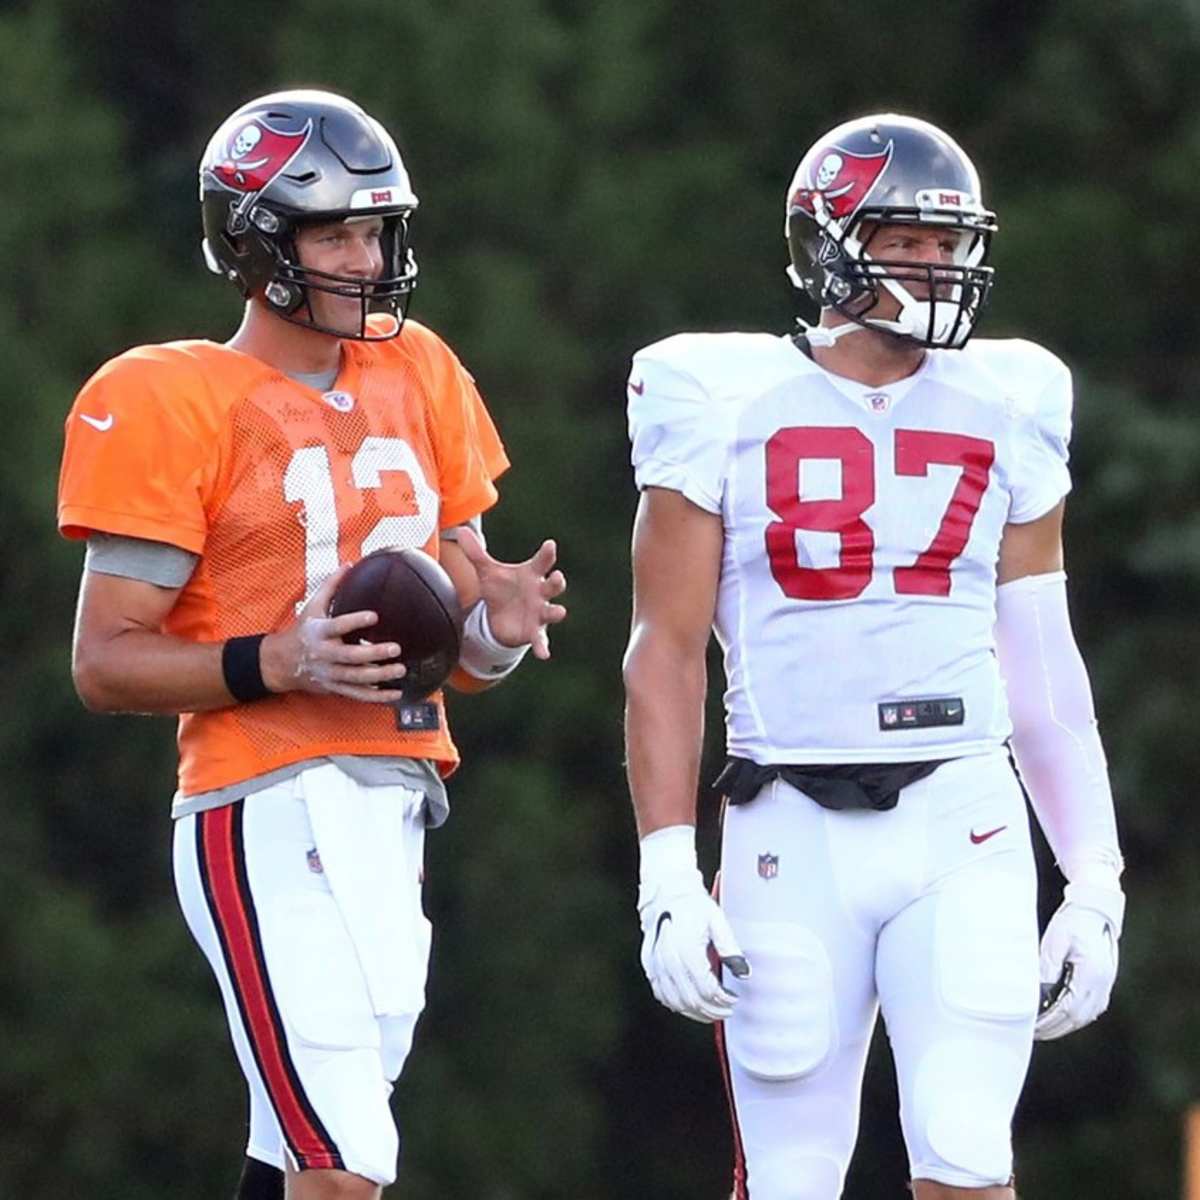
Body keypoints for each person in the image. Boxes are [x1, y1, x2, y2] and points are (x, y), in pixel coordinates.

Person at [58, 89, 566, 1200]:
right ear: (259, 243)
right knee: (344, 1164)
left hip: (396, 800)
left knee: (300, 1154)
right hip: (265, 801)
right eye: (336, 229)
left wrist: (499, 626)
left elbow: (459, 658)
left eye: (376, 228)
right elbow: (104, 662)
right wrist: (274, 661)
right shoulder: (171, 395)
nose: (367, 254)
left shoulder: (418, 369)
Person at [622, 113, 1123, 1200]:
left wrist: (1094, 878)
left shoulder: (1014, 397)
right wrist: (666, 870)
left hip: (965, 818)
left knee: (967, 1158)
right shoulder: (716, 394)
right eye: (906, 241)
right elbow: (663, 653)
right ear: (831, 243)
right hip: (785, 825)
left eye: (949, 245)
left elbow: (1042, 663)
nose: (936, 268)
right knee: (792, 1180)